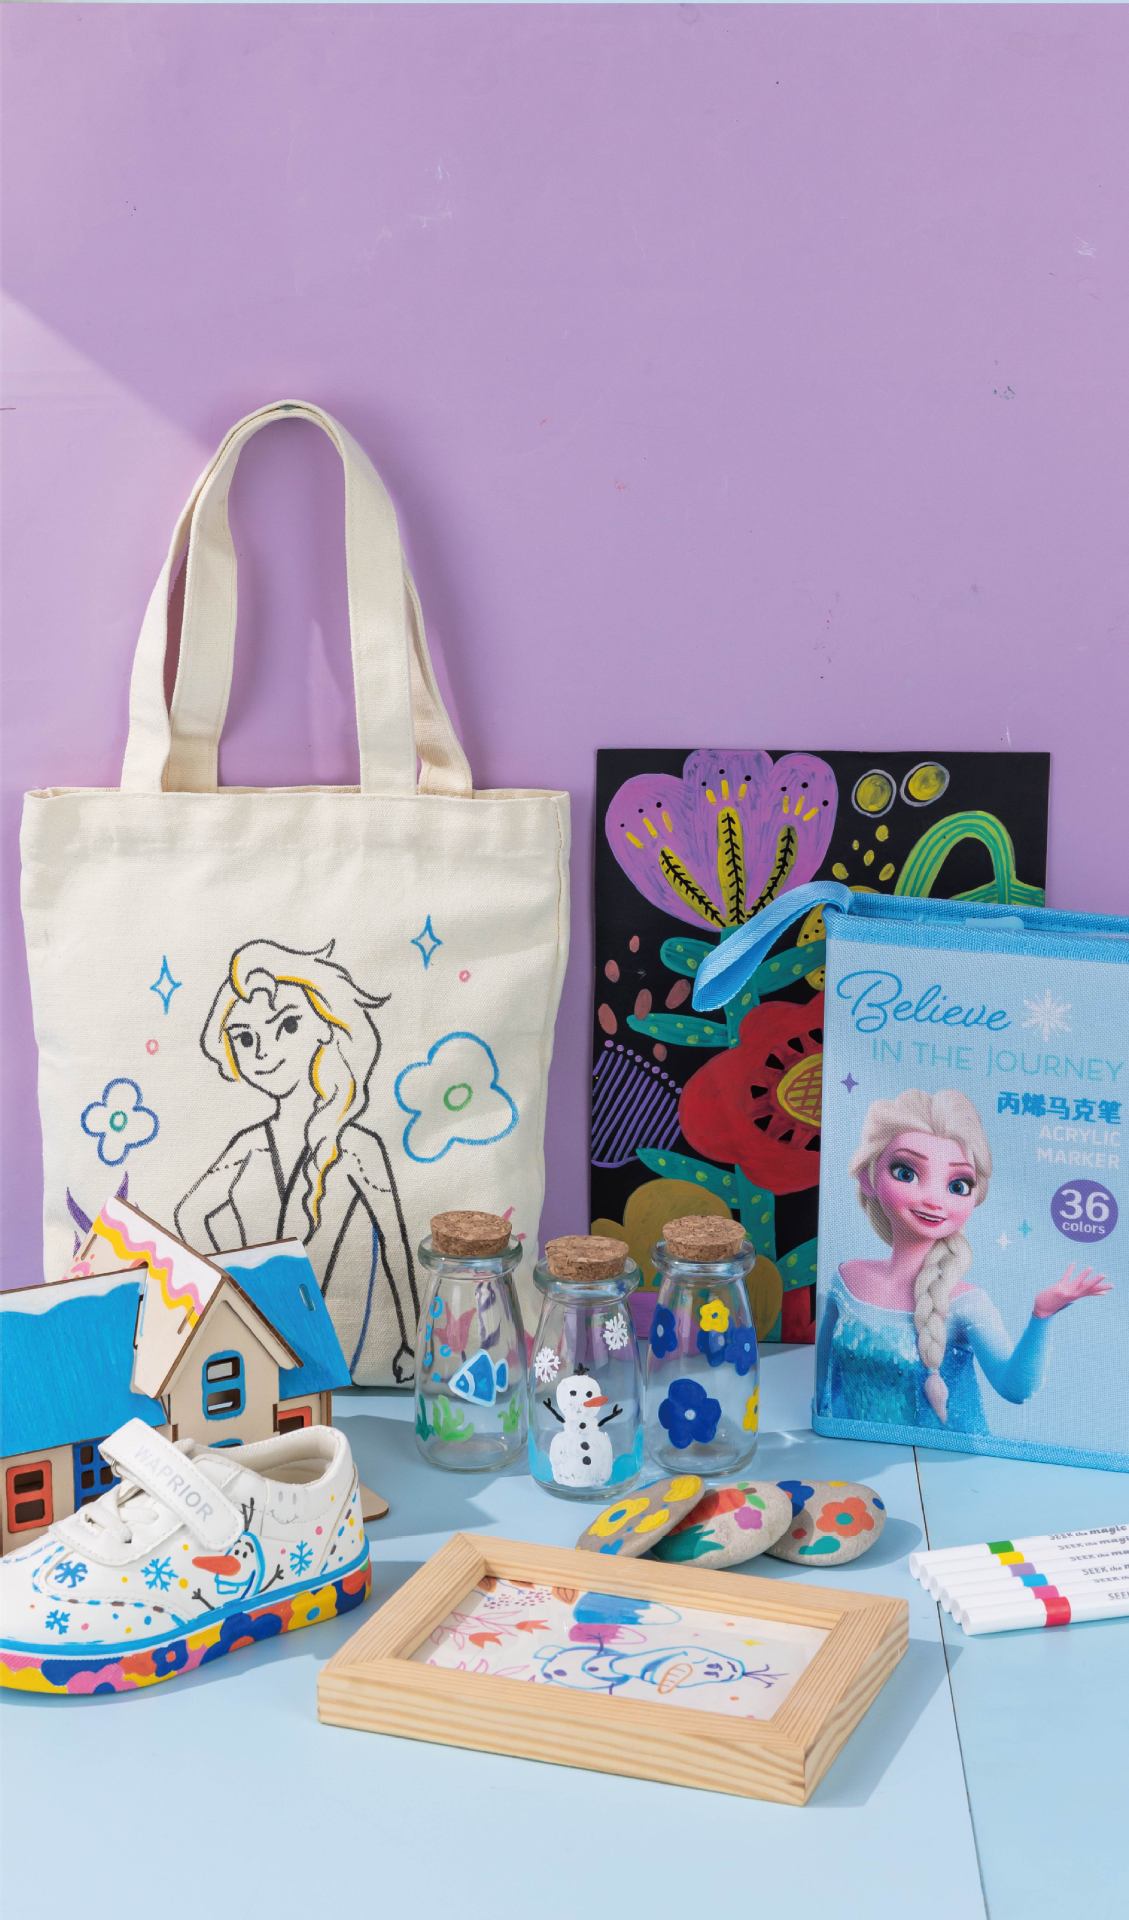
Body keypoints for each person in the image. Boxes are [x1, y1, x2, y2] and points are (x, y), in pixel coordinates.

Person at [176, 938, 417, 1381]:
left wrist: (414, 1341)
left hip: (325, 1351)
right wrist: (228, 1290)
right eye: (244, 1038)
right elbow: (190, 1214)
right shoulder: (250, 1145)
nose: (262, 1052)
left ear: (325, 1026)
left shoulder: (355, 1147)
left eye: (286, 1025)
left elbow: (395, 1246)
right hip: (256, 1348)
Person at [816, 1088, 1109, 1434]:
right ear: (868, 1178)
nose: (933, 1200)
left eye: (958, 1186)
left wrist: (1041, 1316)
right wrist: (822, 1416)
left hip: (942, 1456)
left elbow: (1014, 1388)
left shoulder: (967, 1304)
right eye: (906, 1173)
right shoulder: (847, 1280)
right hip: (851, 1445)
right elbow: (824, 1373)